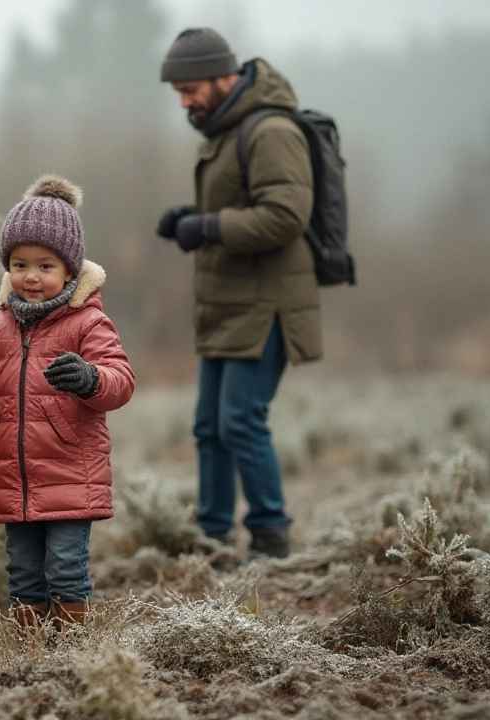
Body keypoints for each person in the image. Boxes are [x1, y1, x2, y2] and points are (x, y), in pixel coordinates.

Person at [0, 175, 134, 631]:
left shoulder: (88, 322)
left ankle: (69, 650)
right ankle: (29, 650)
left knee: (65, 569)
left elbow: (120, 381)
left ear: (69, 270)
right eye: (20, 265)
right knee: (23, 574)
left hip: (70, 475)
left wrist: (89, 379)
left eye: (45, 266)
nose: (31, 276)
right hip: (14, 478)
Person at [155, 28, 320, 558]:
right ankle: (213, 535)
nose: (184, 101)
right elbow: (243, 205)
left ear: (225, 75)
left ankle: (271, 536)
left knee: (241, 422)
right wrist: (193, 218)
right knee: (209, 427)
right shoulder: (227, 129)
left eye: (190, 88)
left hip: (266, 303)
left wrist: (206, 228)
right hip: (227, 304)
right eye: (177, 92)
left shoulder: (270, 130)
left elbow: (286, 215)